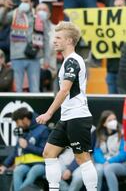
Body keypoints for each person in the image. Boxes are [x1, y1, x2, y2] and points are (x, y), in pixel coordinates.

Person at [36, 21, 98, 191]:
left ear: (69, 41)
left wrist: (48, 113)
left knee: (82, 158)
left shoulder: (72, 61)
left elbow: (64, 91)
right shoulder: (68, 61)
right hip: (67, 117)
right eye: (54, 37)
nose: (54, 41)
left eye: (58, 37)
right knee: (49, 153)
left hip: (78, 116)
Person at [1, 0, 50, 92]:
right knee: (17, 87)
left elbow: (46, 38)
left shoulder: (39, 16)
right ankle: (19, 107)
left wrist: (46, 59)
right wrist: (5, 8)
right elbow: (1, 20)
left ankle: (34, 107)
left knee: (35, 88)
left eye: (26, 2)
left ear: (32, 3)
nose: (24, 4)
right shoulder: (14, 13)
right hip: (17, 56)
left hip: (34, 56)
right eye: (22, 2)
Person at [0, 107, 49, 191]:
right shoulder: (23, 131)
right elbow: (15, 151)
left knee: (33, 172)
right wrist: (4, 165)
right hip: (25, 164)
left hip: (41, 164)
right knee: (17, 171)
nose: (17, 125)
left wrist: (27, 146)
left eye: (17, 122)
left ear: (25, 119)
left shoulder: (43, 129)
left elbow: (45, 152)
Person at [94, 110, 126, 191]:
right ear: (104, 124)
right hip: (103, 163)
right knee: (98, 170)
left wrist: (110, 161)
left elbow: (125, 154)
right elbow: (97, 152)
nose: (113, 122)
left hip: (121, 165)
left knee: (108, 168)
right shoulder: (100, 134)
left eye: (114, 119)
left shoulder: (122, 133)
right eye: (110, 120)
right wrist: (104, 162)